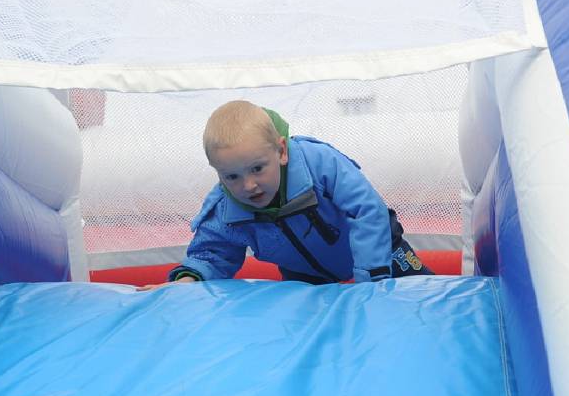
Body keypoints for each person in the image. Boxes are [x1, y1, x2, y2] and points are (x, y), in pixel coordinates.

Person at [137, 100, 431, 291]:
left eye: (257, 168)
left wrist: (372, 281)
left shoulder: (319, 164)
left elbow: (366, 210)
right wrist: (188, 281)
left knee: (420, 298)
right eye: (232, 176)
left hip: (381, 255)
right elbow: (212, 254)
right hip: (305, 275)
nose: (248, 185)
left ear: (280, 151)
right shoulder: (226, 209)